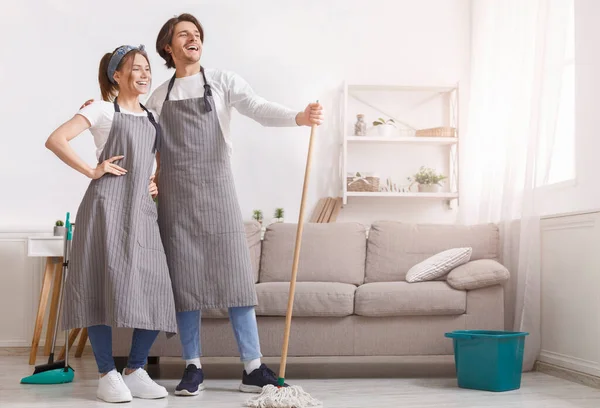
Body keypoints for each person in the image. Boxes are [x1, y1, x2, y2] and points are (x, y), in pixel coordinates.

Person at [143, 13, 324, 396]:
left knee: (237, 280)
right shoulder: (159, 96)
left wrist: (299, 117)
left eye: (197, 34)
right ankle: (192, 367)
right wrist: (148, 179)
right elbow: (146, 145)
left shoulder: (222, 81)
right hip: (175, 199)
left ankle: (252, 368)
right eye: (184, 34)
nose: (193, 38)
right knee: (184, 285)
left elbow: (257, 108)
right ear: (168, 47)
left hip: (218, 192)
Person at [45, 45, 177, 403]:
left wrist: (155, 179)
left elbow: (158, 161)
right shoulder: (101, 109)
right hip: (105, 209)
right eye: (135, 68)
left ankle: (134, 370)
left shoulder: (152, 116)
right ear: (116, 75)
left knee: (157, 287)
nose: (144, 74)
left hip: (141, 211)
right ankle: (107, 374)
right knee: (97, 286)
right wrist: (92, 169)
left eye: (147, 68)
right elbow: (55, 139)